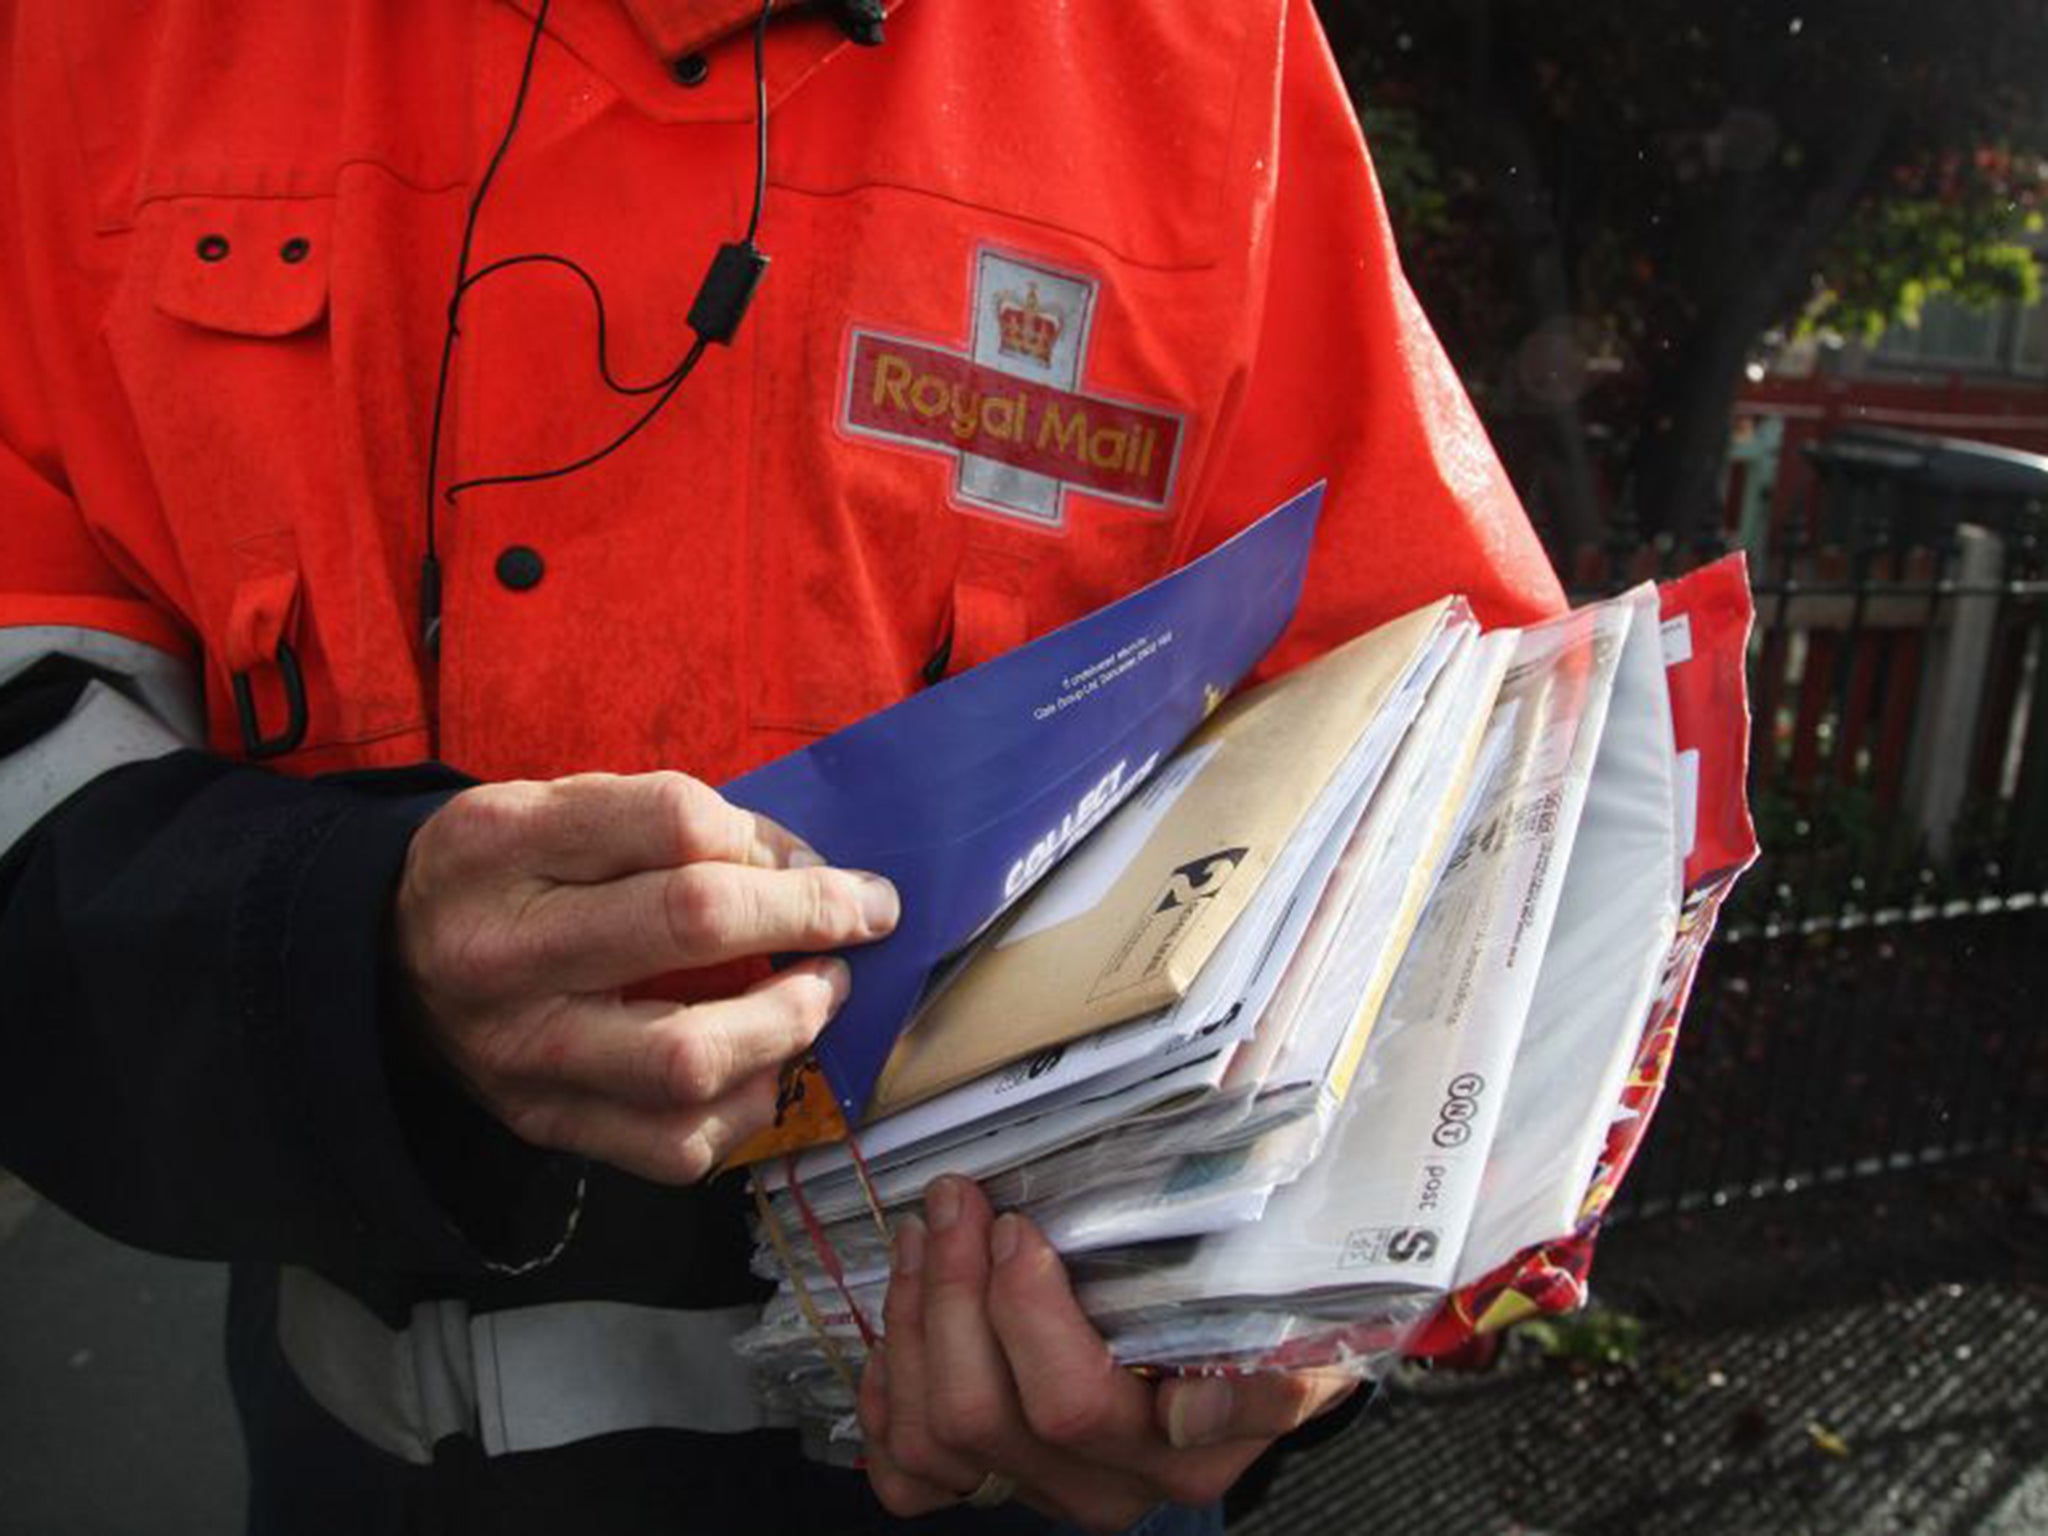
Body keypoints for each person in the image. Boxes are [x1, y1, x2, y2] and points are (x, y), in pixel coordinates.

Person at [0, 0, 1564, 1531]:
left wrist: (1289, 1319)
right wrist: (350, 956)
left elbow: (1462, 774)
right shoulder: (100, 40)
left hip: (1027, 1491)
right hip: (384, 1479)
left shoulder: (1199, 49)